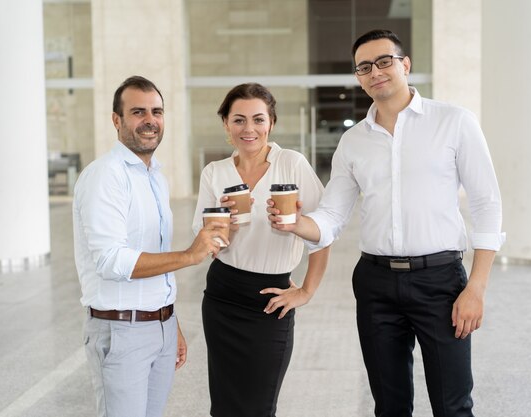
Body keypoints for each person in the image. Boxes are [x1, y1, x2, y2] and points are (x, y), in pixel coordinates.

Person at [268, 29, 505, 417]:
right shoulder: (354, 141)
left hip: (441, 281)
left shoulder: (455, 122)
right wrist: (295, 223)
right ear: (358, 77)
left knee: (453, 405)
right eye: (364, 67)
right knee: (389, 406)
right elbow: (332, 216)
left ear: (405, 65)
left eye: (384, 61)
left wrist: (476, 287)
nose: (375, 71)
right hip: (376, 283)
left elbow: (487, 205)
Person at [73, 75, 225, 417]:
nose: (150, 120)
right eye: (138, 112)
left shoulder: (155, 175)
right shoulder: (106, 175)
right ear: (117, 120)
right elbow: (112, 261)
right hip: (121, 331)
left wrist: (170, 323)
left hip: (159, 327)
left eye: (157, 111)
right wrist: (190, 255)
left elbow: (155, 258)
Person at [192, 83, 331, 417]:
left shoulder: (292, 163)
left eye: (258, 119)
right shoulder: (215, 172)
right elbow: (203, 238)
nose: (249, 129)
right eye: (238, 120)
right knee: (224, 406)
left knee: (258, 405)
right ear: (226, 124)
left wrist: (307, 291)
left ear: (271, 122)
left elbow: (324, 230)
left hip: (271, 298)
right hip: (223, 295)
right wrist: (225, 229)